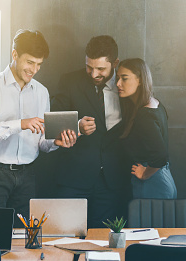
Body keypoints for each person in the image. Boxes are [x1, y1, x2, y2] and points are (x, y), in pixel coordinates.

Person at [0, 29, 77, 222]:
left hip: (27, 175)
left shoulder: (42, 92)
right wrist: (20, 124)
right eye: (29, 62)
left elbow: (42, 142)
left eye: (39, 64)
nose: (34, 70)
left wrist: (55, 142)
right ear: (14, 54)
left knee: (25, 239)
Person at [51, 35, 131, 228]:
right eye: (89, 67)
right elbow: (54, 121)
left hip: (113, 181)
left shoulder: (127, 85)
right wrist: (76, 126)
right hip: (74, 177)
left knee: (105, 241)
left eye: (101, 69)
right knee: (65, 236)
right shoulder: (69, 81)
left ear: (115, 63)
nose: (94, 74)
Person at [116, 58, 177, 199]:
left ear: (140, 80)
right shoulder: (155, 104)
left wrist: (145, 173)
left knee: (149, 222)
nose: (118, 84)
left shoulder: (145, 114)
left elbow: (160, 156)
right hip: (163, 179)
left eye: (124, 78)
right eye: (117, 78)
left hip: (153, 183)